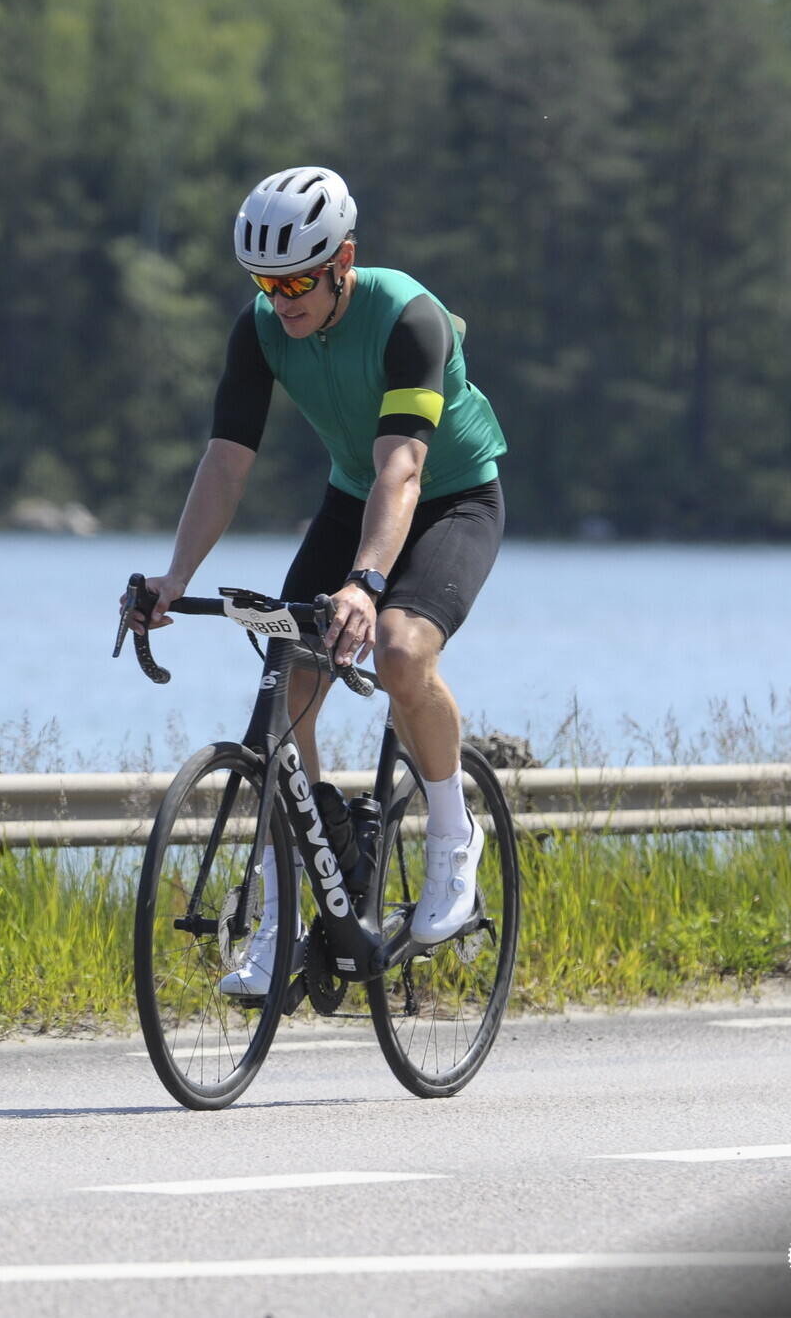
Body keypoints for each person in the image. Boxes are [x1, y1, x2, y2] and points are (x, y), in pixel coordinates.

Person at [135, 166, 507, 995]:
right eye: (265, 283)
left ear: (344, 260)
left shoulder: (408, 317)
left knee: (401, 654)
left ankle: (454, 839)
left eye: (298, 280)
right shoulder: (261, 328)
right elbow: (226, 462)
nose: (282, 300)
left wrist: (366, 585)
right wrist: (175, 576)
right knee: (286, 683)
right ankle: (289, 915)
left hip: (451, 499)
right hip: (351, 500)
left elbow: (403, 467)